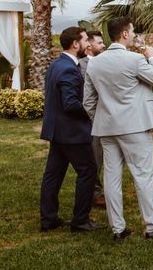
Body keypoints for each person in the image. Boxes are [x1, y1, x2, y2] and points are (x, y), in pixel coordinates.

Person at [83, 17, 153, 240]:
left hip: (106, 128)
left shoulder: (94, 63)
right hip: (134, 127)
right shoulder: (135, 59)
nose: (135, 35)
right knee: (143, 175)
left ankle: (118, 229)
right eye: (133, 31)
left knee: (111, 178)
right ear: (125, 34)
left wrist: (102, 117)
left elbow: (88, 102)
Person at [40, 27, 103, 233]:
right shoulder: (69, 68)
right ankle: (81, 220)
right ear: (76, 44)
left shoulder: (56, 64)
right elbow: (71, 103)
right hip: (72, 132)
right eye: (85, 40)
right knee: (88, 171)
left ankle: (49, 219)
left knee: (53, 174)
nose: (87, 44)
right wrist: (91, 113)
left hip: (57, 130)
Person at [78, 30, 106, 209]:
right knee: (94, 158)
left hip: (108, 116)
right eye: (100, 43)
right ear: (89, 46)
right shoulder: (81, 65)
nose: (103, 45)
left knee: (103, 156)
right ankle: (94, 193)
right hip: (92, 118)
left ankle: (100, 190)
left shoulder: (104, 62)